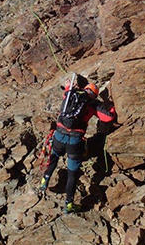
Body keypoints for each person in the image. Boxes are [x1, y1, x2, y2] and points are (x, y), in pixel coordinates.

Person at [39, 80, 115, 214]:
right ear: (94, 95)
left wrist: (70, 86)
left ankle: (44, 181)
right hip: (74, 141)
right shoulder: (92, 104)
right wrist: (112, 108)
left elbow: (66, 94)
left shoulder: (71, 94)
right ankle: (68, 204)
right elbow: (107, 118)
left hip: (59, 135)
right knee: (72, 174)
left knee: (55, 156)